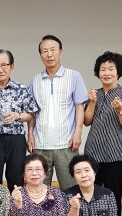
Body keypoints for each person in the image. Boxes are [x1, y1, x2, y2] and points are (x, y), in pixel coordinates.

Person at [27, 35, 88, 190]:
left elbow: (79, 106)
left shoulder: (74, 76)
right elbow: (31, 112)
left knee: (71, 189)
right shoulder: (35, 80)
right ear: (40, 55)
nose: (49, 54)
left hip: (67, 144)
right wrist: (30, 134)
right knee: (38, 190)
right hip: (40, 145)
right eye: (45, 51)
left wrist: (78, 132)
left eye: (53, 50)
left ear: (61, 52)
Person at [0, 49, 38, 191]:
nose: (0, 69)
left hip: (16, 139)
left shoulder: (21, 89)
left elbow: (31, 115)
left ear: (12, 66)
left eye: (4, 65)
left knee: (16, 179)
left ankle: (16, 205)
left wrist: (17, 116)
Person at [84, 51, 122, 216]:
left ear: (118, 72)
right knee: (91, 193)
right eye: (103, 69)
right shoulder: (94, 94)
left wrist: (120, 110)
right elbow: (86, 121)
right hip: (92, 152)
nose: (106, 73)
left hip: (114, 154)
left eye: (111, 69)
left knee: (113, 194)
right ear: (98, 73)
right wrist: (92, 102)